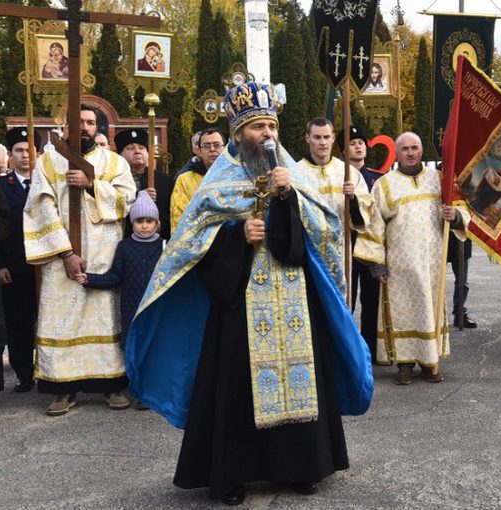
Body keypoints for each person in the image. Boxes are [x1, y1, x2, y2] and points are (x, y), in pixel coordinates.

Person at [126, 81, 372, 505]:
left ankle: (300, 466)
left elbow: (324, 231)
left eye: (271, 126)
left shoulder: (289, 173)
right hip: (239, 299)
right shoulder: (217, 182)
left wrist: (289, 197)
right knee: (236, 385)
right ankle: (233, 474)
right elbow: (191, 241)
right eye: (258, 127)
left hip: (293, 293)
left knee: (301, 378)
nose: (268, 135)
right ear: (239, 133)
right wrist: (236, 235)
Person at [23, 105, 136, 415]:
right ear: (67, 126)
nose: (84, 127)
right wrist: (66, 253)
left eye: (90, 122)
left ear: (97, 128)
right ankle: (63, 389)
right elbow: (40, 208)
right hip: (62, 261)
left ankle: (111, 385)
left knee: (106, 317)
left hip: (104, 257)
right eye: (78, 122)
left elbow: (129, 199)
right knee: (62, 320)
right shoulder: (48, 162)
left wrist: (92, 185)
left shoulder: (114, 162)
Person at [354, 132, 469, 385]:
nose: (410, 153)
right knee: (401, 313)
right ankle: (405, 365)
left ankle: (430, 362)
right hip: (399, 265)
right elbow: (374, 225)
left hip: (432, 262)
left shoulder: (439, 179)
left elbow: (462, 208)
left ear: (421, 150)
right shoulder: (385, 184)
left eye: (415, 147)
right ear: (397, 153)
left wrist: (456, 216)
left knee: (431, 309)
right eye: (404, 148)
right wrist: (377, 264)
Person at [78, 193, 163, 408]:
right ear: (131, 222)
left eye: (149, 221)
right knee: (134, 349)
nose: (144, 226)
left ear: (157, 223)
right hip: (130, 308)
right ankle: (137, 388)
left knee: (154, 349)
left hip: (156, 308)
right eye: (139, 221)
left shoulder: (164, 246)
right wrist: (90, 279)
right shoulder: (124, 247)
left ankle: (148, 393)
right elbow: (116, 276)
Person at [340, 125, 386, 359]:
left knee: (372, 302)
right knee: (347, 300)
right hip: (348, 246)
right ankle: (348, 352)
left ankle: (370, 349)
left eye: (360, 142)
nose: (358, 146)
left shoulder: (379, 179)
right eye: (352, 143)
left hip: (370, 249)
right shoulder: (339, 175)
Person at [0, 129, 37, 393]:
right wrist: (0, 263)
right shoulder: (1, 186)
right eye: (20, 151)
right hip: (14, 266)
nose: (25, 155)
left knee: (47, 320)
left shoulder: (47, 183)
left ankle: (50, 372)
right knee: (18, 321)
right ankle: (24, 374)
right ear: (11, 156)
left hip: (45, 266)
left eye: (29, 150)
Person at [115, 129, 174, 239]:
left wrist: (161, 225)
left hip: (158, 243)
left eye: (142, 148)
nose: (137, 151)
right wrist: (139, 198)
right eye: (130, 148)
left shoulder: (165, 180)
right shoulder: (115, 180)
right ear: (120, 154)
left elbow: (173, 213)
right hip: (125, 242)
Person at [170, 128, 224, 231]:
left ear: (224, 148)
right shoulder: (184, 179)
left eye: (216, 145)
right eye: (207, 146)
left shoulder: (236, 176)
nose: (212, 149)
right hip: (197, 240)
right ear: (199, 151)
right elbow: (179, 217)